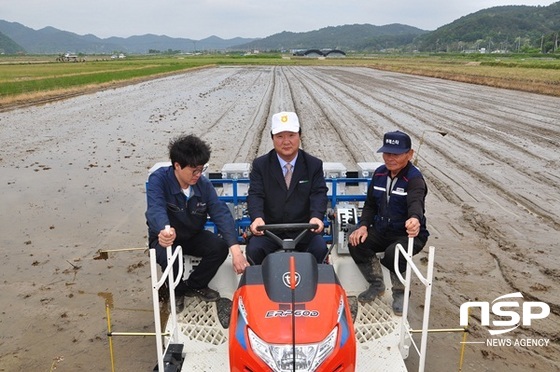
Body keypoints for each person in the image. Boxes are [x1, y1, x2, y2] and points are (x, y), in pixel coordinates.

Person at [146, 134, 249, 312]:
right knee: (173, 259)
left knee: (219, 248)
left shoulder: (203, 184)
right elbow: (155, 208)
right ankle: (176, 293)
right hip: (166, 238)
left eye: (201, 169)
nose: (198, 175)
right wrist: (164, 230)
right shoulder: (159, 180)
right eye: (194, 170)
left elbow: (220, 213)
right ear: (177, 166)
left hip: (192, 235)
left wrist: (235, 248)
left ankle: (194, 285)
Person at [348, 130, 429, 316]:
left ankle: (400, 293)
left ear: (410, 154)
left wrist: (415, 219)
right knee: (355, 241)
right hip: (382, 229)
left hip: (408, 234)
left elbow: (416, 202)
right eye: (387, 153)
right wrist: (363, 226)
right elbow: (370, 205)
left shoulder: (414, 179)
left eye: (396, 154)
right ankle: (376, 283)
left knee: (395, 253)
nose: (390, 158)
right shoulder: (379, 174)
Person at [246, 111, 329, 265]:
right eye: (280, 136)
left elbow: (319, 193)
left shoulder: (313, 165)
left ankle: (312, 288)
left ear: (299, 136)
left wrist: (316, 216)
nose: (286, 141)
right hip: (270, 231)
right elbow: (255, 194)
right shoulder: (260, 165)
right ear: (272, 138)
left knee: (320, 248)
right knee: (254, 249)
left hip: (303, 230)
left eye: (291, 135)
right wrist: (257, 217)